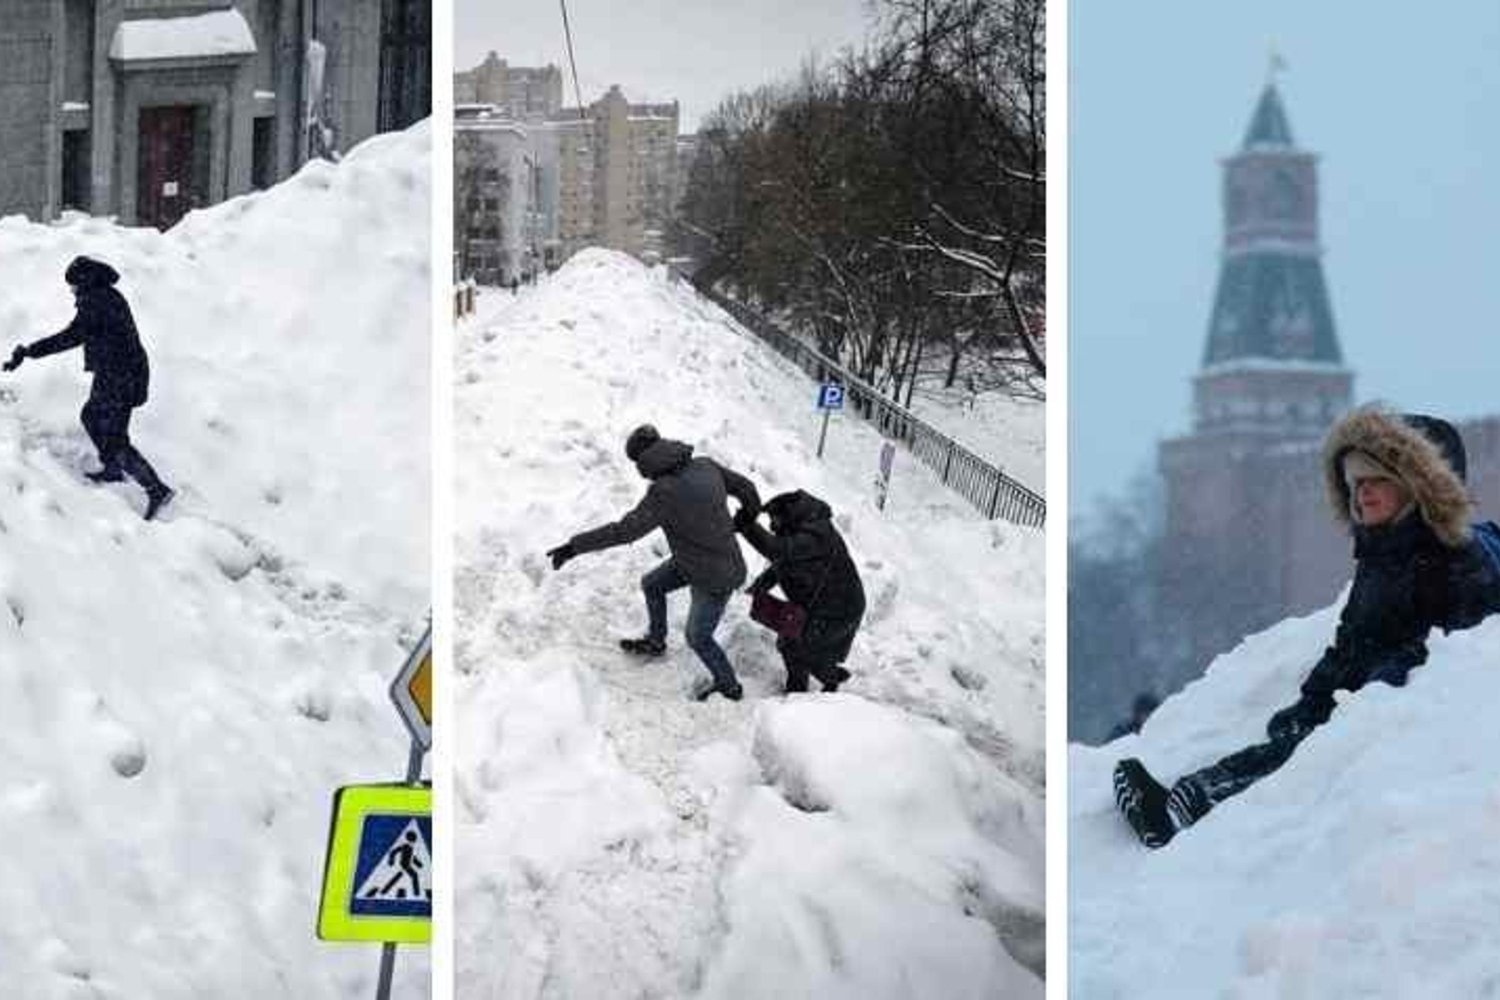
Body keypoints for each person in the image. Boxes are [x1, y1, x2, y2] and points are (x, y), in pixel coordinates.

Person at [1114, 407, 1500, 848]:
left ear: (1418, 488)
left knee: (1303, 759)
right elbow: (1350, 643)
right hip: (1356, 702)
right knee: (1290, 740)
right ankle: (1179, 808)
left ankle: (1194, 811)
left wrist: (1375, 691)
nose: (1364, 494)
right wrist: (1315, 698)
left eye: (1378, 481)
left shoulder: (1459, 560)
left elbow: (1459, 654)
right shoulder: (1381, 558)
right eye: (1356, 484)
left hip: (1392, 720)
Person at [546, 424, 761, 701]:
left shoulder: (664, 492)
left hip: (714, 577)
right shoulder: (706, 466)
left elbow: (624, 532)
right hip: (695, 561)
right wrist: (746, 516)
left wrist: (574, 547)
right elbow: (747, 488)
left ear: (642, 462)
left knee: (698, 637)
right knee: (652, 584)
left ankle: (729, 686)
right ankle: (656, 640)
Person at [4, 256, 174, 520]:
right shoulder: (105, 296)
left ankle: (156, 489)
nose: (72, 290)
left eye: (73, 285)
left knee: (114, 436)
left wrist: (29, 352)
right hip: (119, 372)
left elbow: (70, 336)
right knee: (92, 417)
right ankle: (113, 468)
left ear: (86, 280)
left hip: (122, 376)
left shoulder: (97, 302)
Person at [736, 490, 866, 694]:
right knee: (792, 642)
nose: (772, 526)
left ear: (789, 515)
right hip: (821, 603)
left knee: (801, 648)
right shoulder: (799, 529)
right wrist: (759, 587)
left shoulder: (816, 536)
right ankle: (810, 683)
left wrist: (747, 527)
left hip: (840, 609)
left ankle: (817, 685)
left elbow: (778, 550)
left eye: (774, 519)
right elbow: (783, 562)